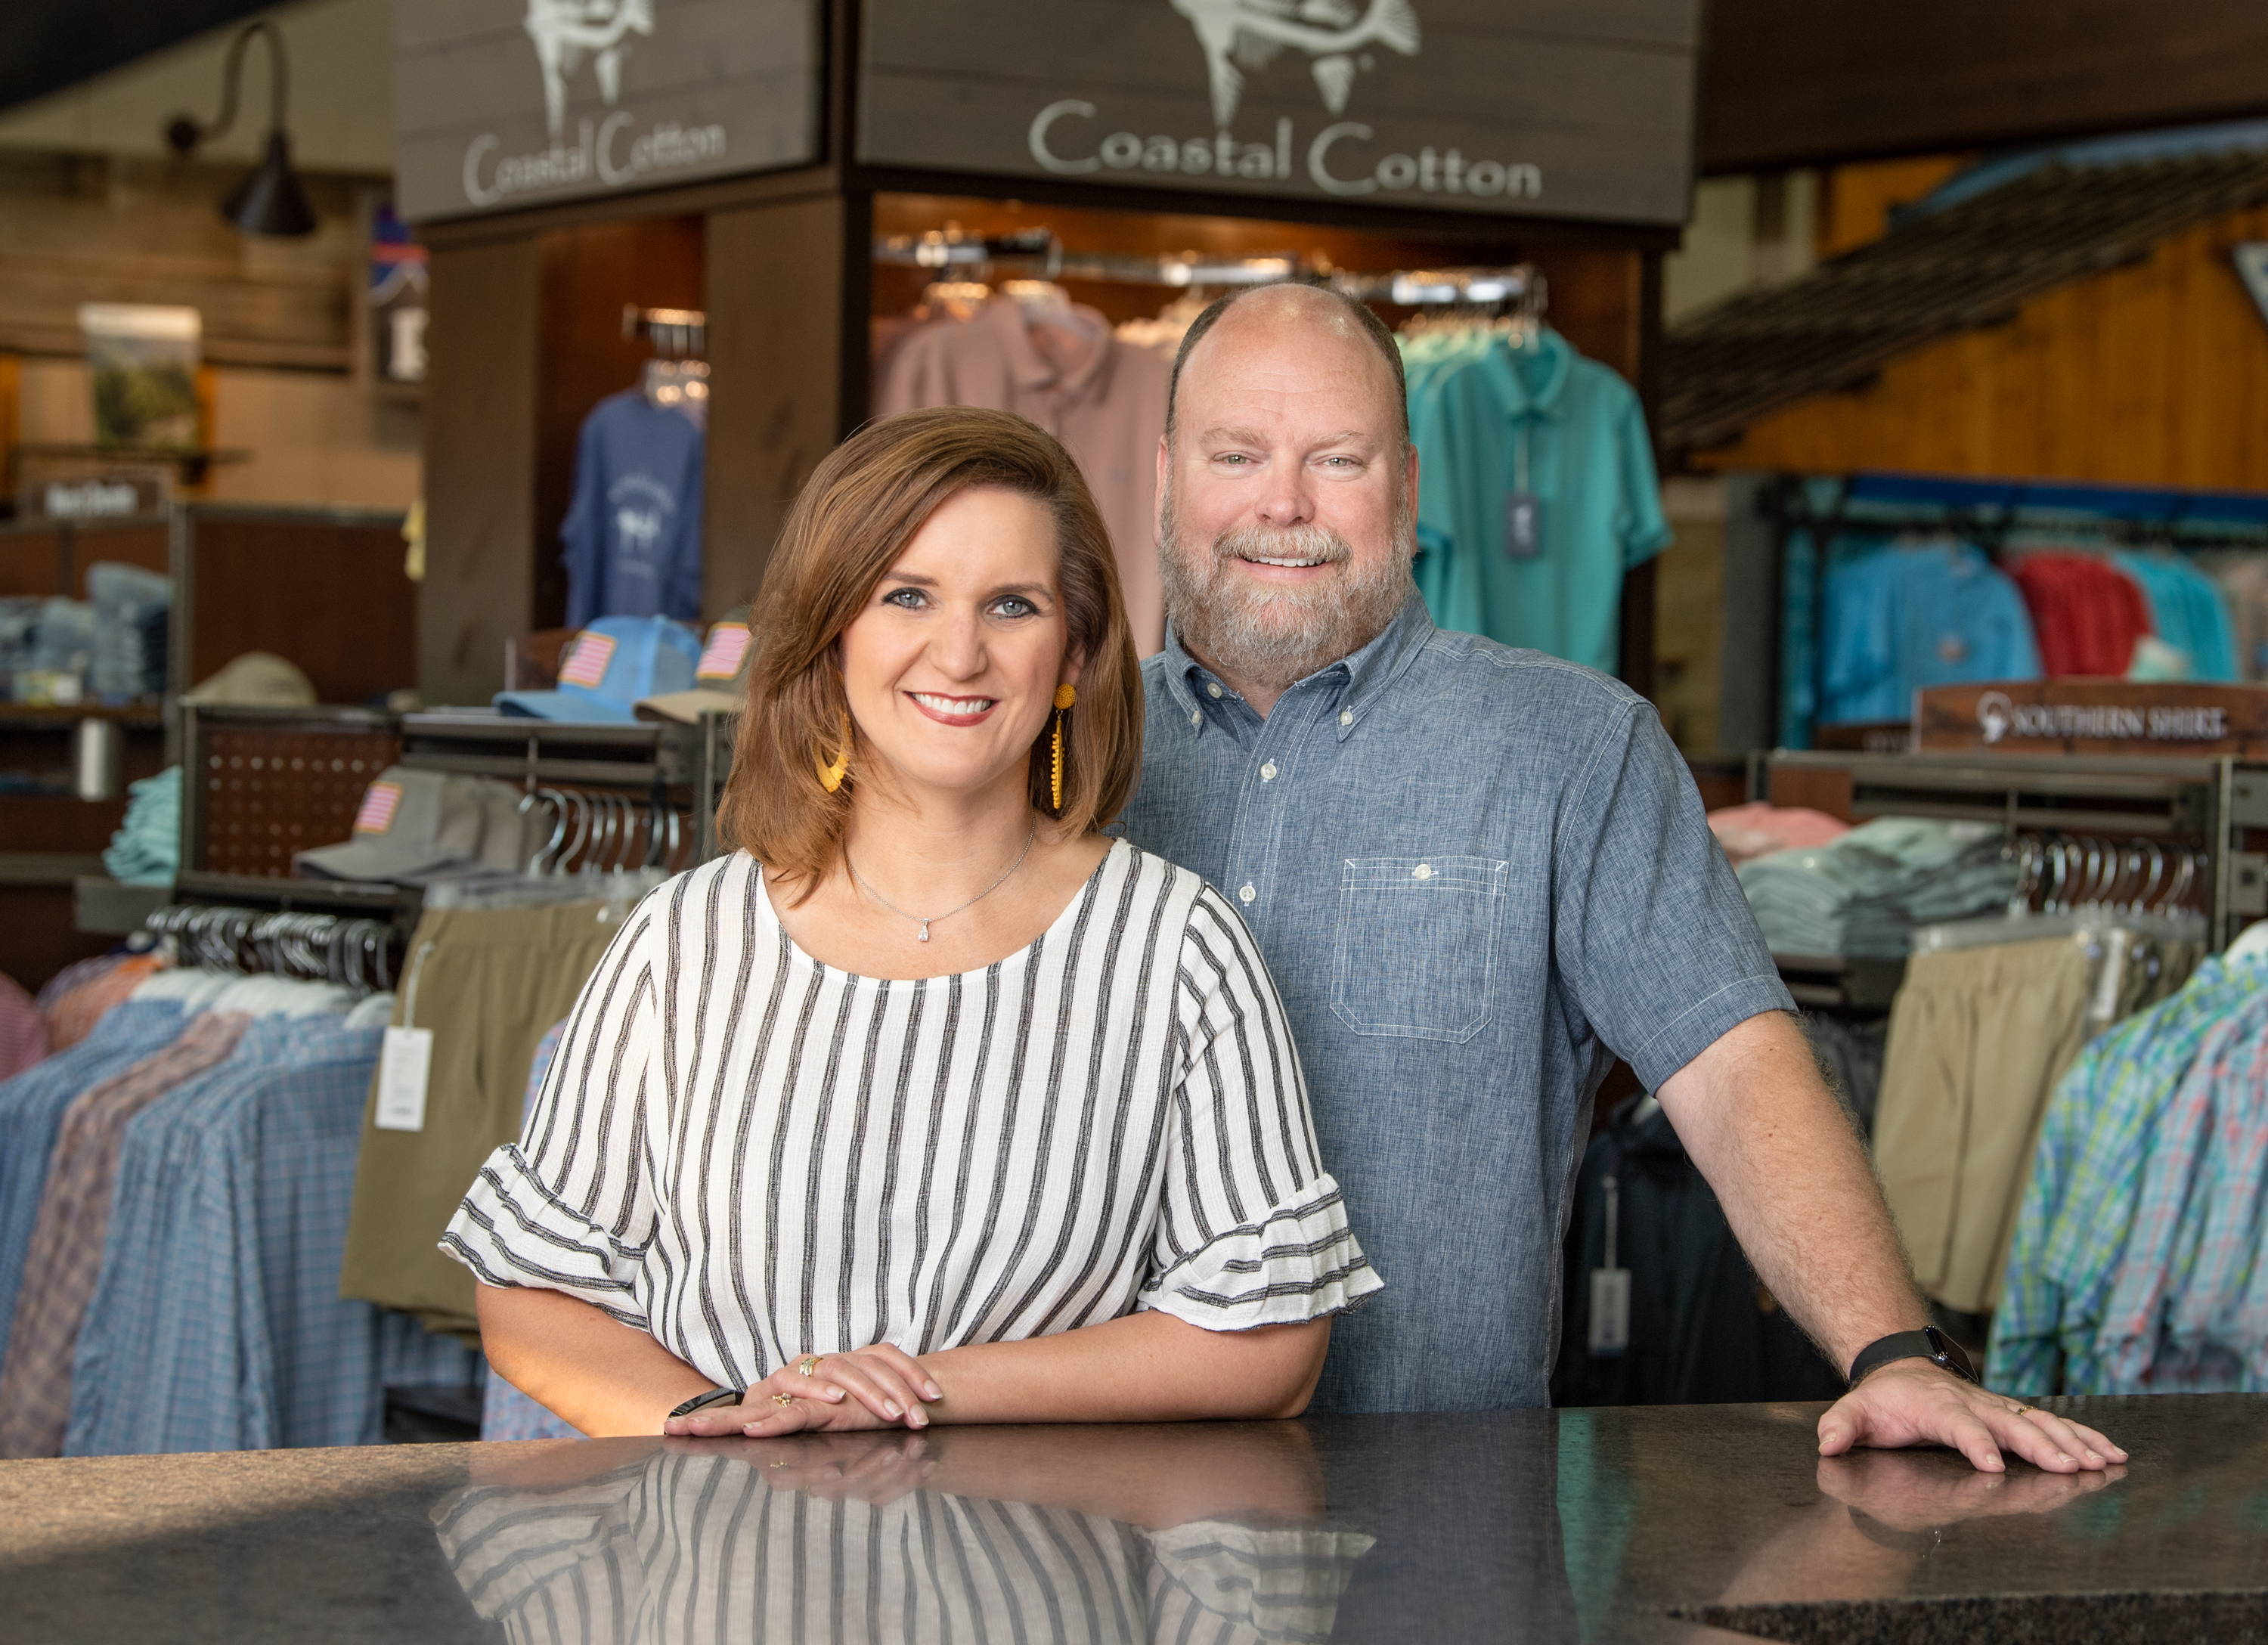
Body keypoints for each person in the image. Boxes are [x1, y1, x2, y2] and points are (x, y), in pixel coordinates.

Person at [1117, 282, 2122, 1476]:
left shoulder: (1573, 746)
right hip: (1073, 1510)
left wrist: (1889, 1350)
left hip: (1446, 1522)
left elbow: (1732, 1063)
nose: (1285, 505)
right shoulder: (1056, 751)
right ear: (1171, 472)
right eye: (1240, 454)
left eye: (1337, 458)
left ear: (1412, 487)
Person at [444, 406, 1381, 1439]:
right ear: (833, 633)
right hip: (723, 1582)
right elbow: (533, 1294)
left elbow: (1272, 1342)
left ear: (1075, 653)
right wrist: (730, 1426)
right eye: (908, 596)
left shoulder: (1180, 950)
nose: (959, 651)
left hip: (1051, 1587)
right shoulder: (683, 944)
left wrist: (910, 1395)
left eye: (1013, 605)